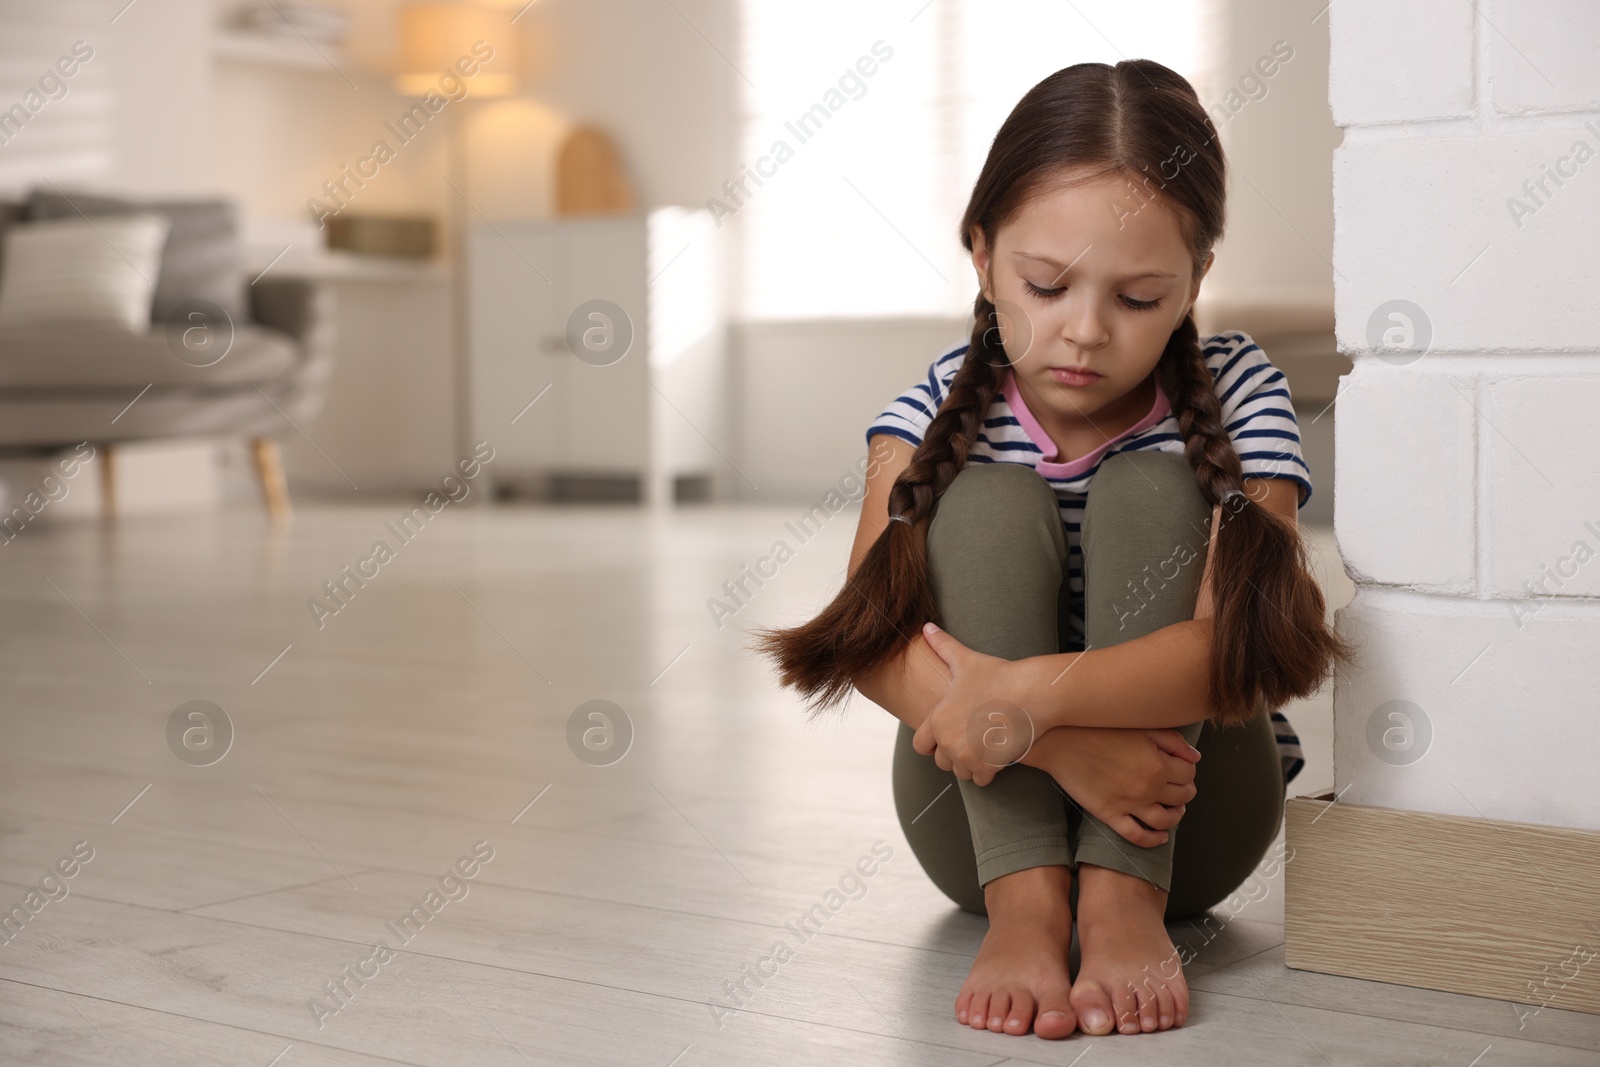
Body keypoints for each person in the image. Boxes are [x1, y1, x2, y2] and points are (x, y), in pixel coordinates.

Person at [751, 59, 1353, 1040]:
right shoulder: (926, 413)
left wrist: (1031, 701)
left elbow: (1243, 644)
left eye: (1139, 298)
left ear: (1196, 279)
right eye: (1045, 283)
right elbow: (868, 643)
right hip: (976, 826)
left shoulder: (1241, 390)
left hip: (1185, 809)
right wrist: (1061, 747)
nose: (1083, 332)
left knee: (1152, 488)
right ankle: (1029, 907)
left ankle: (1123, 899)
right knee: (983, 503)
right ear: (982, 255)